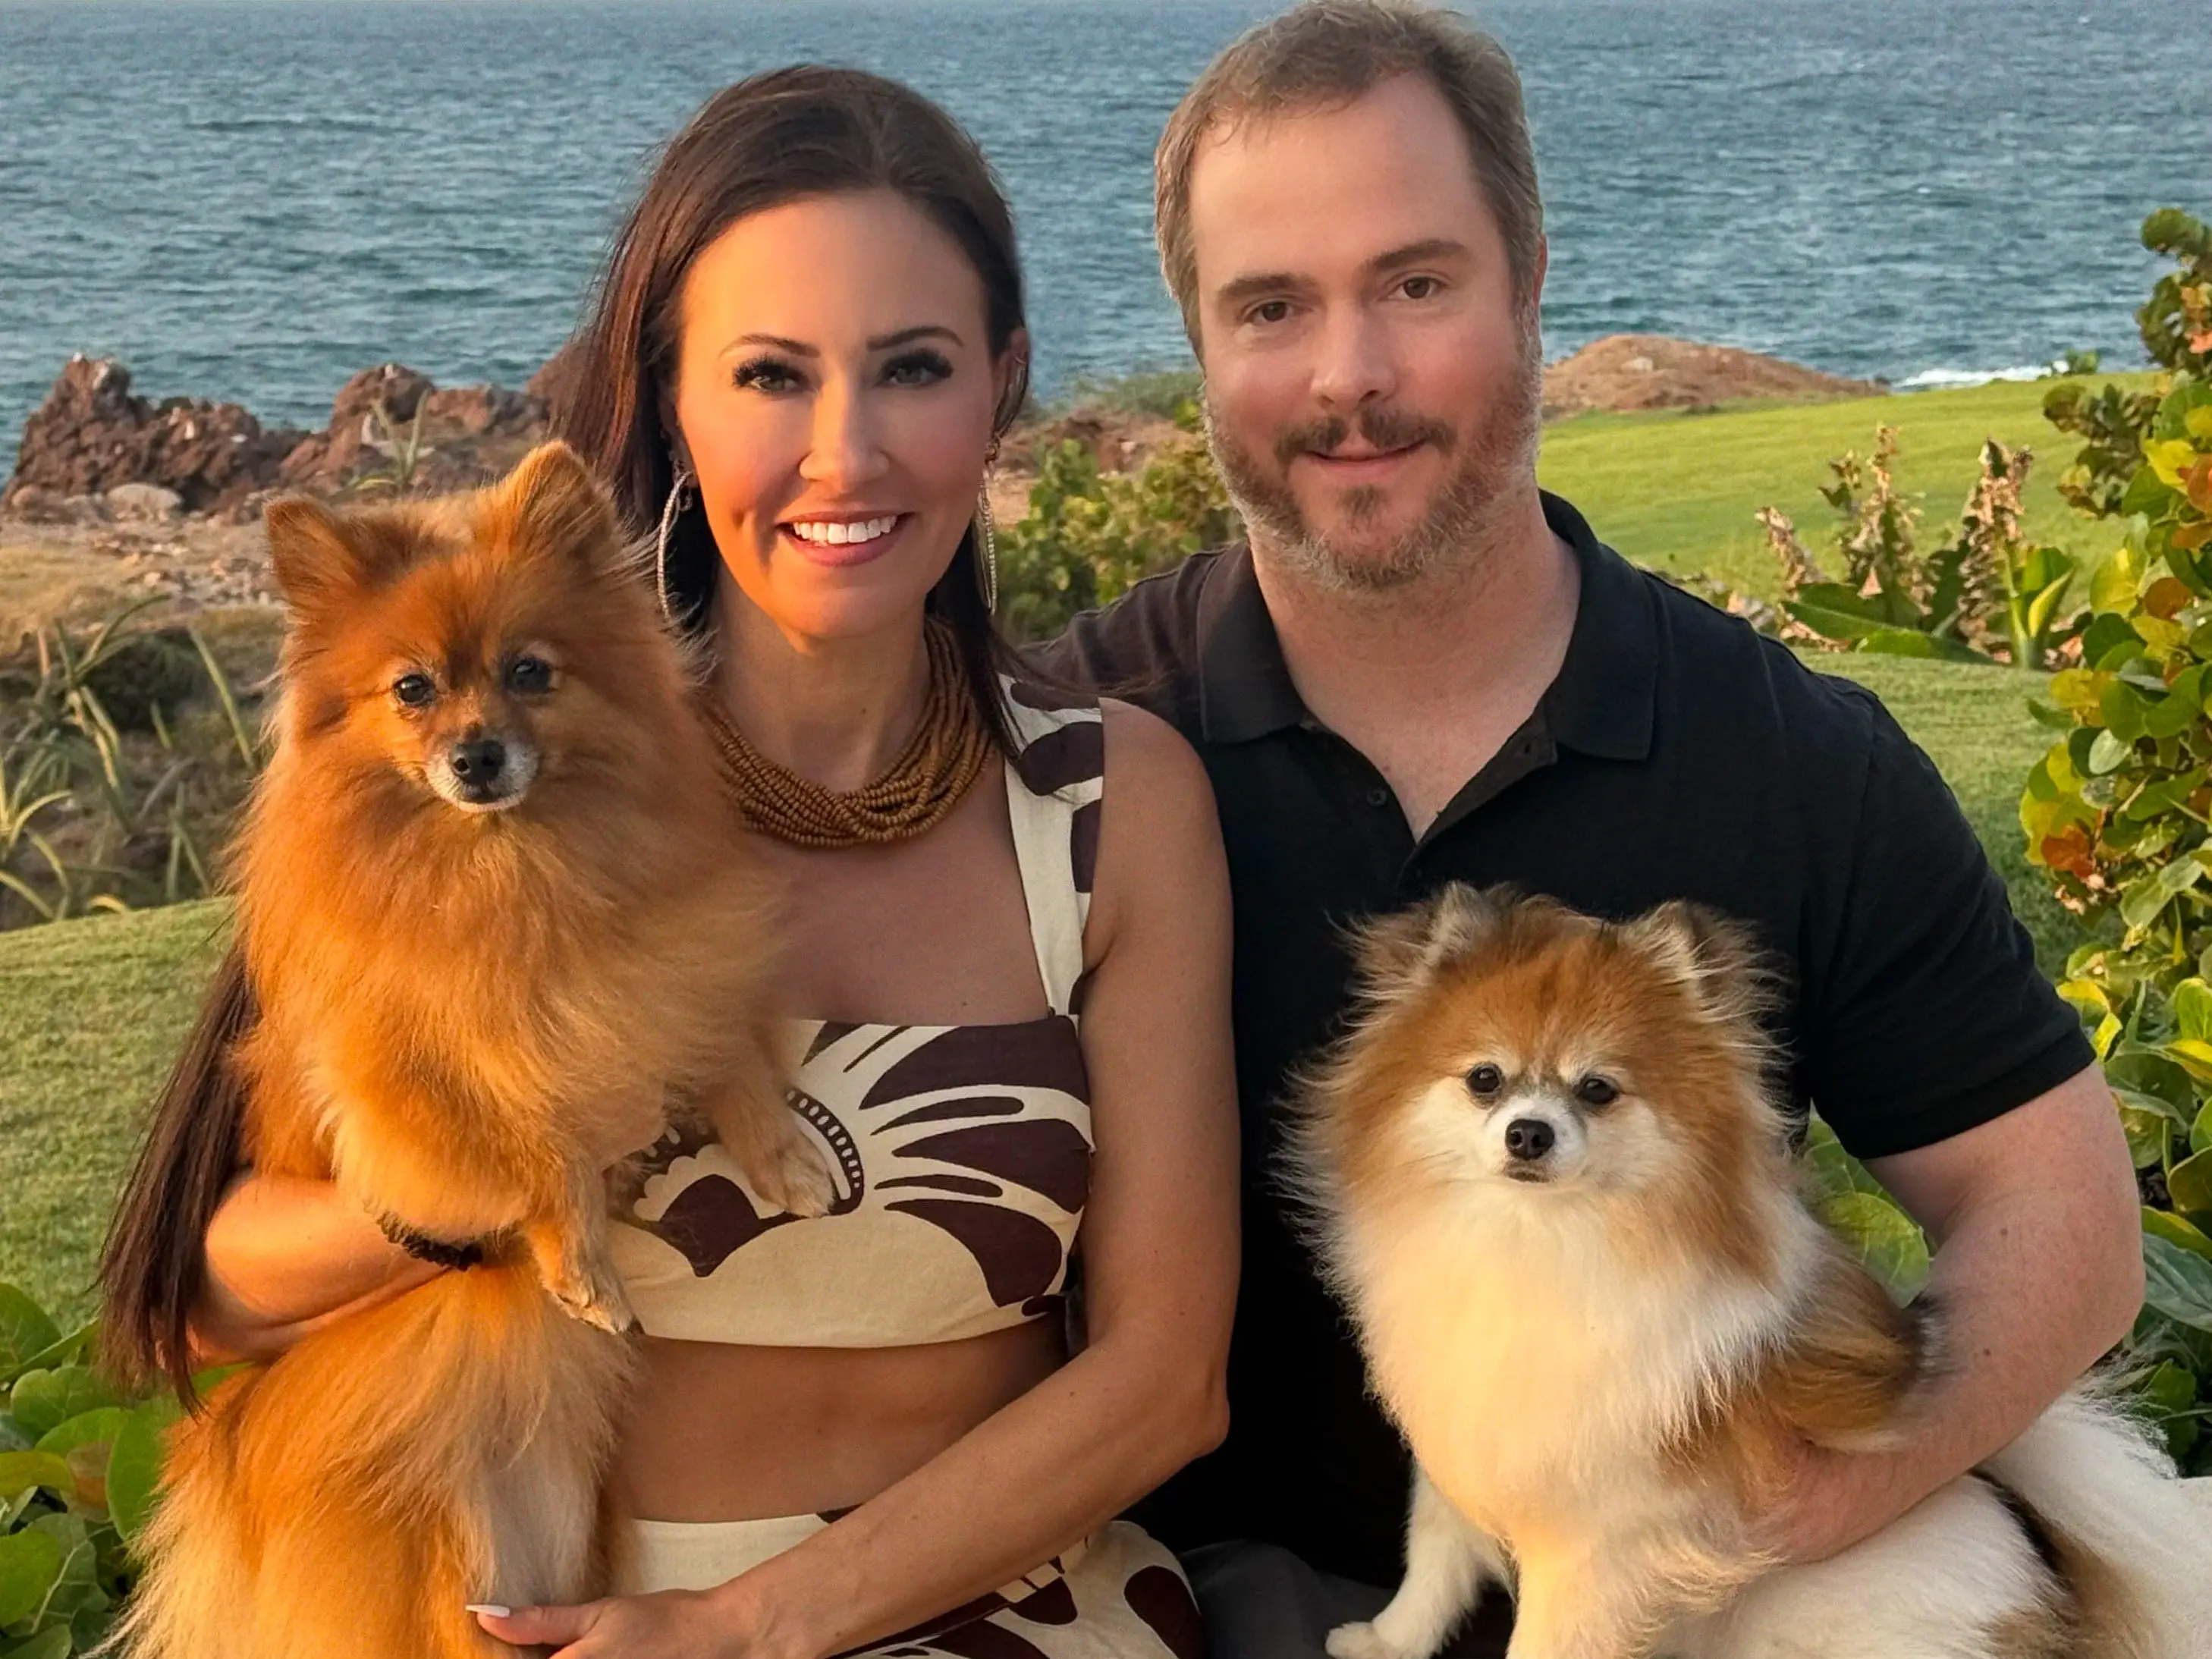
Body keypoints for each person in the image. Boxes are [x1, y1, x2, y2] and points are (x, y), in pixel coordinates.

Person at [1039, 5, 2144, 1655]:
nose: (1350, 375)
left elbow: (2061, 1209)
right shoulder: (1071, 738)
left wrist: (1809, 1501)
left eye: (1417, 284)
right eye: (1272, 305)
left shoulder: (1789, 758)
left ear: (1531, 282)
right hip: (1178, 1611)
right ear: (1198, 336)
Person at [100, 68, 1236, 1659]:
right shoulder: (489, 810)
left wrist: (754, 1629)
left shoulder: (1118, 807)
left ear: (1003, 386)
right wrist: (472, 1191)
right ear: (674, 406)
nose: (844, 453)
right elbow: (202, 1295)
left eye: (911, 368)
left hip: (1009, 1617)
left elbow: (1166, 1380)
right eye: (770, 376)